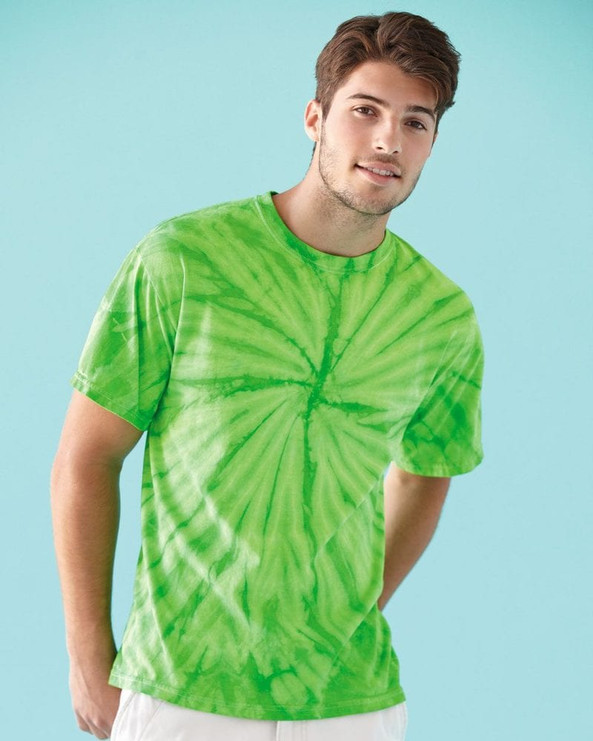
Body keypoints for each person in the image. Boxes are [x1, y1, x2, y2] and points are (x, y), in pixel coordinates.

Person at [51, 10, 484, 741]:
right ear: (315, 118)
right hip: (182, 688)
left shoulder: (440, 314)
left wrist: (348, 609)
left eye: (415, 122)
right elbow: (87, 458)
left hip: (355, 702)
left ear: (432, 143)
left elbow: (425, 474)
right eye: (365, 110)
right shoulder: (183, 260)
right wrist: (88, 656)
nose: (388, 139)